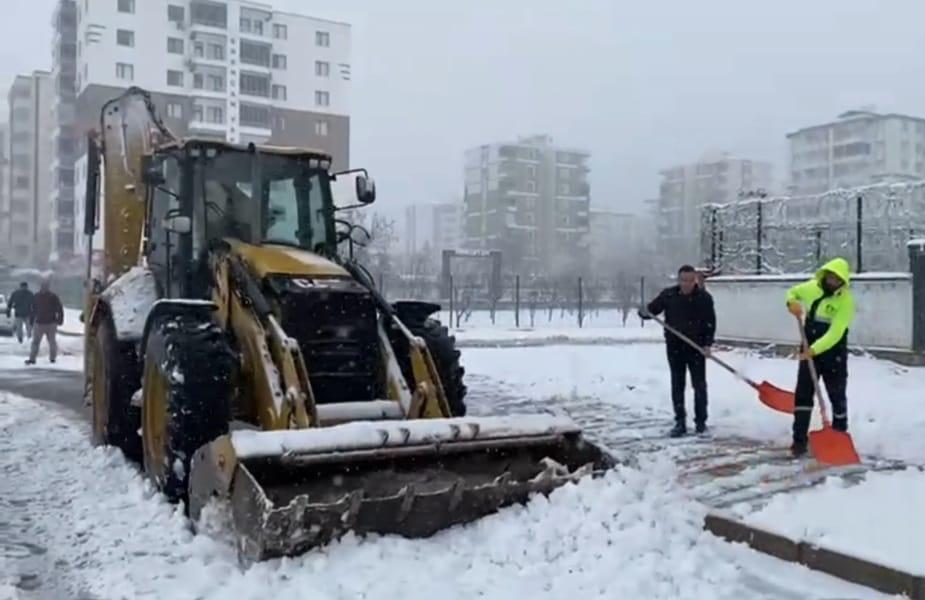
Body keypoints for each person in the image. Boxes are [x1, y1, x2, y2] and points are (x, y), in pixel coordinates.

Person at [785, 257, 855, 458]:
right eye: (831, 278)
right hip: (809, 350)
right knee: (803, 395)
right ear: (825, 275)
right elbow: (792, 292)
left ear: (843, 281)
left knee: (837, 394)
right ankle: (799, 440)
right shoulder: (811, 288)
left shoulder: (846, 301)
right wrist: (791, 302)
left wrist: (815, 349)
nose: (833, 282)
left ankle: (840, 435)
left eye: (837, 280)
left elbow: (836, 332)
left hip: (833, 353)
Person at [639, 265, 717, 437]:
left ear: (695, 280)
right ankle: (680, 422)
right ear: (678, 280)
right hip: (675, 347)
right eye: (683, 280)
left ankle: (701, 422)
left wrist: (707, 345)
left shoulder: (704, 298)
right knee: (677, 384)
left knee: (699, 385)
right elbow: (652, 310)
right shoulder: (669, 295)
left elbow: (710, 323)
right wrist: (644, 311)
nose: (687, 284)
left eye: (690, 280)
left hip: (696, 348)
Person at [26, 281, 64, 365]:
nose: (44, 288)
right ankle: (34, 359)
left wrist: (60, 319)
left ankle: (50, 358)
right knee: (41, 342)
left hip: (46, 323)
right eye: (43, 287)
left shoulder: (44, 296)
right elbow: (33, 309)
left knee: (49, 341)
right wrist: (60, 320)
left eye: (45, 287)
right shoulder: (51, 296)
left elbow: (59, 309)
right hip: (44, 322)